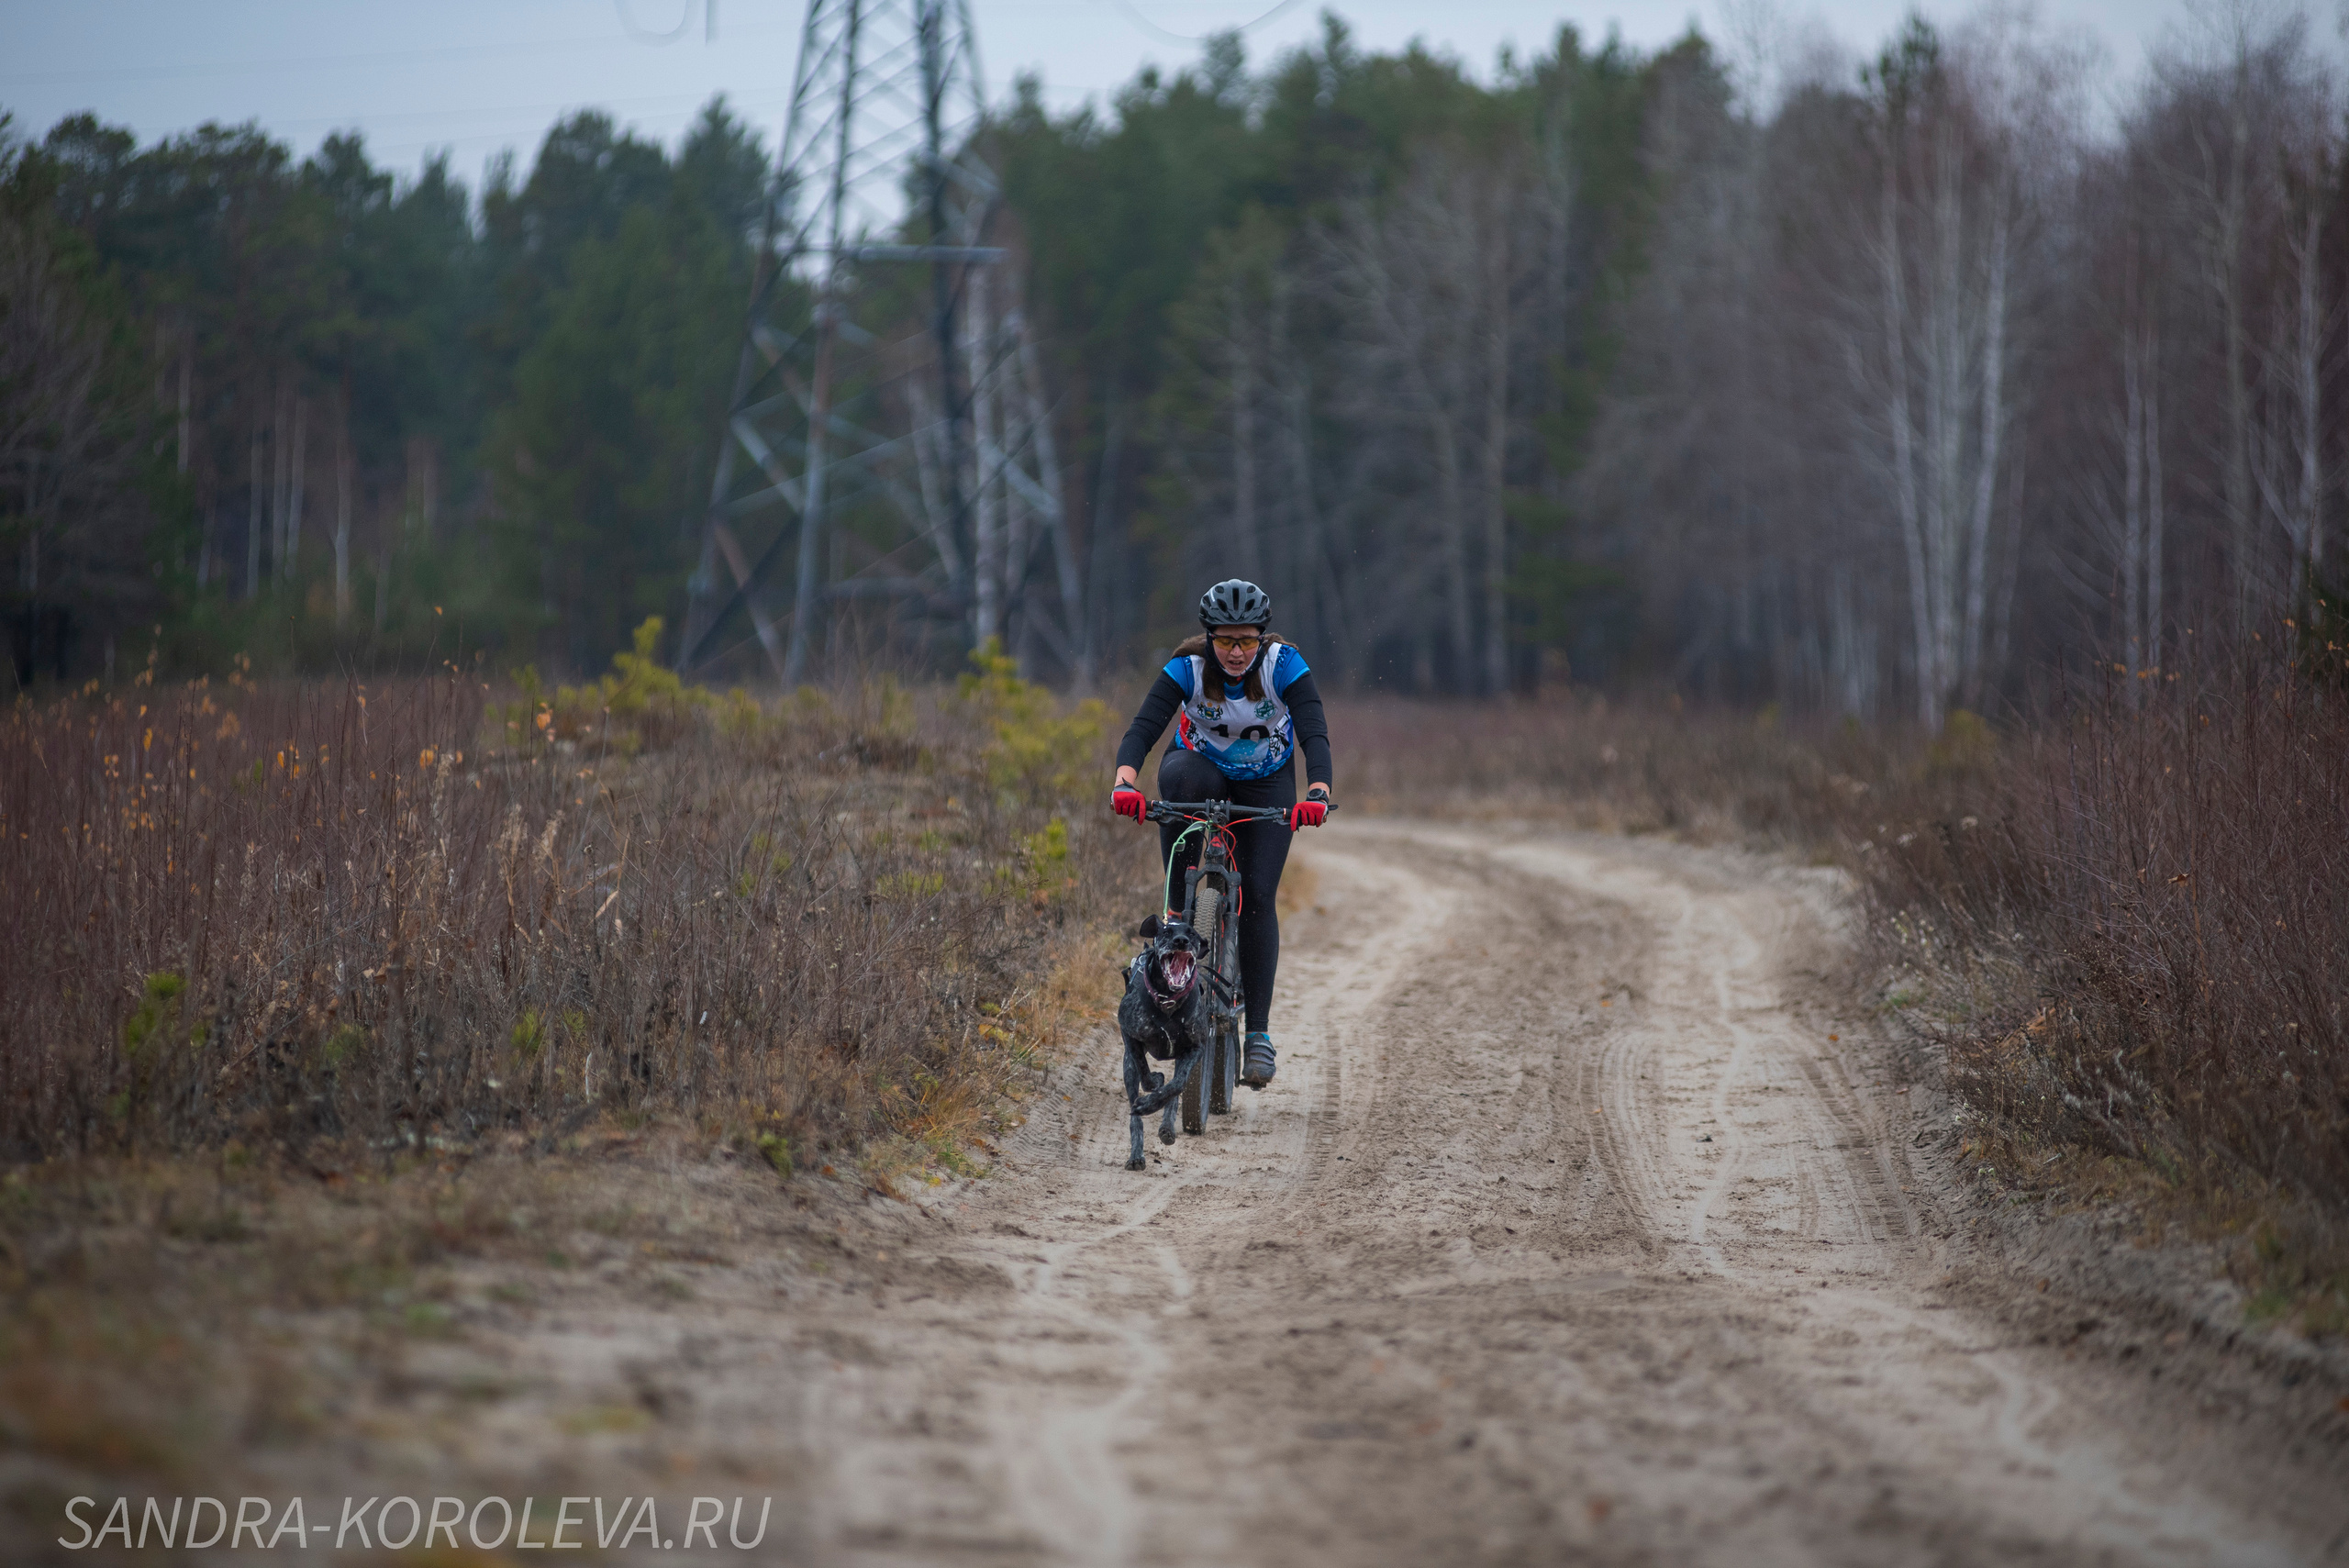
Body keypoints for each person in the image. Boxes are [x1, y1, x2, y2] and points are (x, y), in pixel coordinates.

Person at [1111, 578, 1332, 1090]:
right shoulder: (1187, 668)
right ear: (1208, 637)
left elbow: (1314, 730)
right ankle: (1177, 911)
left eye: (1247, 641)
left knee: (1257, 895)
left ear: (1262, 638)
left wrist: (1318, 791)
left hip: (1267, 780)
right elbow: (1143, 729)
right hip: (1199, 770)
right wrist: (1124, 781)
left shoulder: (1283, 666)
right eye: (1226, 640)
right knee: (1179, 788)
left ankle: (1258, 1035)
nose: (1236, 652)